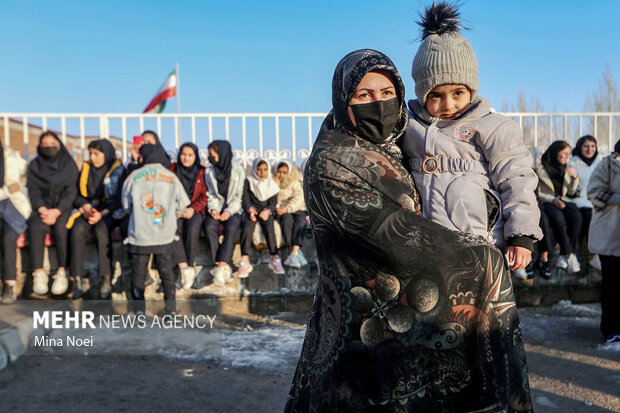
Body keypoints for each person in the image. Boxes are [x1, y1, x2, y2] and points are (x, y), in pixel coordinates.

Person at [286, 48, 532, 412]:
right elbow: (389, 232)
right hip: (360, 326)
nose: (379, 104)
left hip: (405, 315)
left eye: (387, 94)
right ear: (343, 100)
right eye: (364, 95)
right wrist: (479, 258)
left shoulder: (393, 148)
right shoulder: (333, 160)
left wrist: (489, 207)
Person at [400, 2, 542, 282]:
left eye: (457, 92)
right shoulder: (409, 125)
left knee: (480, 320)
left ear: (471, 89)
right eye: (435, 95)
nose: (447, 104)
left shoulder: (492, 126)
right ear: (422, 94)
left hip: (480, 244)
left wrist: (522, 235)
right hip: (425, 249)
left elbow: (516, 178)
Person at [121, 143, 190, 314]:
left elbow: (125, 205)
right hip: (164, 233)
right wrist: (173, 216)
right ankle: (171, 309)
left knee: (138, 273)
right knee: (166, 271)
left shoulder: (134, 176)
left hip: (139, 234)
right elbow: (182, 204)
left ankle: (138, 312)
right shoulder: (171, 177)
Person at [68, 139, 125, 299]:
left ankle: (106, 278)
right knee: (77, 229)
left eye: (96, 154)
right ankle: (77, 279)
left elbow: (120, 197)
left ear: (106, 154)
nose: (93, 157)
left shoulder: (117, 169)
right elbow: (77, 194)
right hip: (88, 209)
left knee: (102, 230)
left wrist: (102, 213)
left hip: (109, 211)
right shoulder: (86, 169)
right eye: (91, 153)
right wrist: (85, 207)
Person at [27, 131, 78, 296]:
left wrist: (57, 211)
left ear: (59, 144)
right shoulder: (34, 166)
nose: (49, 147)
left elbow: (71, 191)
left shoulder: (68, 164)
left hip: (62, 207)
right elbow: (33, 191)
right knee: (35, 227)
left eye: (52, 144)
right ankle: (38, 273)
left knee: (62, 228)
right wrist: (41, 208)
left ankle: (63, 272)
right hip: (41, 208)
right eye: (45, 144)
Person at [587, 139, 620, 343]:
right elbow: (594, 192)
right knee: (613, 285)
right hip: (610, 233)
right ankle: (611, 329)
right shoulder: (609, 164)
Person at [536, 141, 582, 273]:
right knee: (557, 217)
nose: (568, 156)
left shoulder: (567, 168)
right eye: (565, 153)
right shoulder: (541, 169)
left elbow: (571, 192)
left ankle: (564, 255)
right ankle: (570, 255)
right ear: (556, 152)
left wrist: (575, 177)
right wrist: (553, 200)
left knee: (576, 216)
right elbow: (538, 193)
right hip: (548, 202)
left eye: (569, 153)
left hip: (562, 200)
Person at [203, 140, 244, 286]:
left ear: (222, 154)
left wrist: (228, 211)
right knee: (209, 227)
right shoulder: (209, 171)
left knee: (232, 227)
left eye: (212, 154)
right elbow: (211, 194)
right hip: (216, 208)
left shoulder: (238, 170)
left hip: (233, 209)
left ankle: (220, 265)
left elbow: (239, 196)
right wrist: (213, 209)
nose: (210, 157)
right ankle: (222, 264)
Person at [237, 158, 284, 278]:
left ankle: (274, 257)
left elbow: (273, 202)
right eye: (259, 169)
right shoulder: (249, 181)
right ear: (254, 169)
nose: (262, 172)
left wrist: (268, 211)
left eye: (265, 169)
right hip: (252, 211)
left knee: (269, 227)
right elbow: (245, 199)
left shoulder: (272, 184)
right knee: (247, 227)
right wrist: (250, 210)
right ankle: (244, 260)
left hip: (265, 212)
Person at [169, 143, 207, 289]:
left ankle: (189, 266)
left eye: (190, 155)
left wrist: (193, 209)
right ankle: (184, 267)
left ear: (195, 156)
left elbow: (205, 196)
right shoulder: (172, 170)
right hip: (175, 210)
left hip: (195, 210)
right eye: (183, 154)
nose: (186, 158)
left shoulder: (201, 172)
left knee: (192, 229)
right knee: (173, 230)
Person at [0, 142, 31, 304]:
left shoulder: (10, 154)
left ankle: (9, 283)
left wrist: (21, 183)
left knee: (8, 238)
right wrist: (7, 190)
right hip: (5, 198)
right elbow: (10, 188)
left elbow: (27, 173)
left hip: (13, 207)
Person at [568, 135, 602, 271]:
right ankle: (594, 255)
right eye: (586, 146)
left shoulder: (599, 163)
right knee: (589, 218)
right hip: (580, 201)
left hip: (597, 201)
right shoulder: (573, 162)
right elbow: (570, 188)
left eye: (592, 146)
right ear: (580, 147)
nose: (589, 149)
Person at [273, 161, 309, 268]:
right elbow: (271, 199)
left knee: (301, 221)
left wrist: (288, 208)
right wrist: (280, 208)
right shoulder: (272, 183)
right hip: (280, 209)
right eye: (279, 172)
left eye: (285, 172)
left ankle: (295, 250)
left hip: (296, 208)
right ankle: (294, 250)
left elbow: (299, 197)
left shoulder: (294, 181)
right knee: (286, 220)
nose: (281, 175)